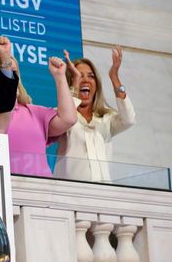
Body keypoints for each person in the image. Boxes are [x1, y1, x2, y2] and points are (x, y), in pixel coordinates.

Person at [0, 54, 77, 177]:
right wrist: (8, 101)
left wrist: (60, 76)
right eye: (3, 69)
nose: (10, 74)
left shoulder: (34, 112)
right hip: (2, 188)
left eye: (14, 71)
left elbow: (69, 119)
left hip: (42, 190)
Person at [54, 47, 135, 182]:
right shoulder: (59, 115)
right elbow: (66, 119)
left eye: (91, 76)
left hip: (103, 195)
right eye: (79, 76)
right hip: (69, 195)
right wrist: (74, 86)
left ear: (96, 84)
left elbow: (129, 119)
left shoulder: (106, 118)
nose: (85, 80)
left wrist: (114, 76)